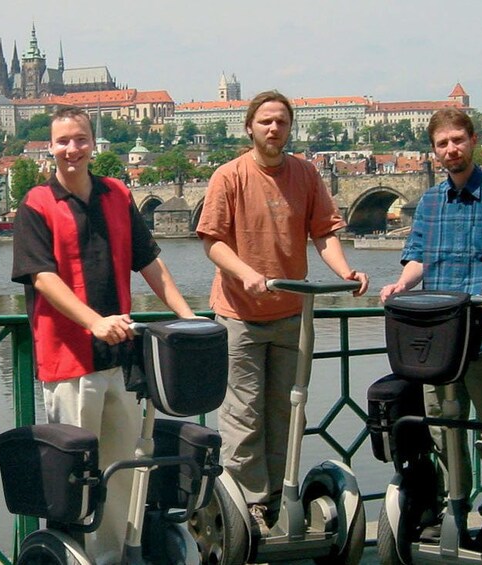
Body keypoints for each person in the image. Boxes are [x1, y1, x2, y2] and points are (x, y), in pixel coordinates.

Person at [10, 106, 195, 563]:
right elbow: (42, 278)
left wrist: (189, 318)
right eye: (63, 141)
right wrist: (93, 320)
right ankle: (76, 553)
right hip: (68, 359)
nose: (71, 149)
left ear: (93, 144)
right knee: (75, 475)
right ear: (49, 147)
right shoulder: (37, 203)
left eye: (80, 139)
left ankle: (116, 555)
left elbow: (150, 261)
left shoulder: (116, 194)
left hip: (122, 356)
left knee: (125, 468)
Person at [195, 90, 369, 532]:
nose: (274, 129)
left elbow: (324, 233)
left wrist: (347, 271)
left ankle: (279, 495)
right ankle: (248, 504)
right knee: (244, 414)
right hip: (239, 314)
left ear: (291, 129)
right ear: (249, 127)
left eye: (282, 122)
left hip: (292, 313)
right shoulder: (229, 176)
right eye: (266, 122)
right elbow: (213, 241)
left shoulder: (306, 174)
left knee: (287, 411)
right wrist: (246, 272)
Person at [379, 107, 482, 547]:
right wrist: (400, 284)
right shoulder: (431, 201)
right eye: (442, 144)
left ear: (472, 140)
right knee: (442, 429)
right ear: (433, 151)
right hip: (439, 337)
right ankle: (454, 511)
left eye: (457, 140)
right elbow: (417, 259)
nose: (451, 149)